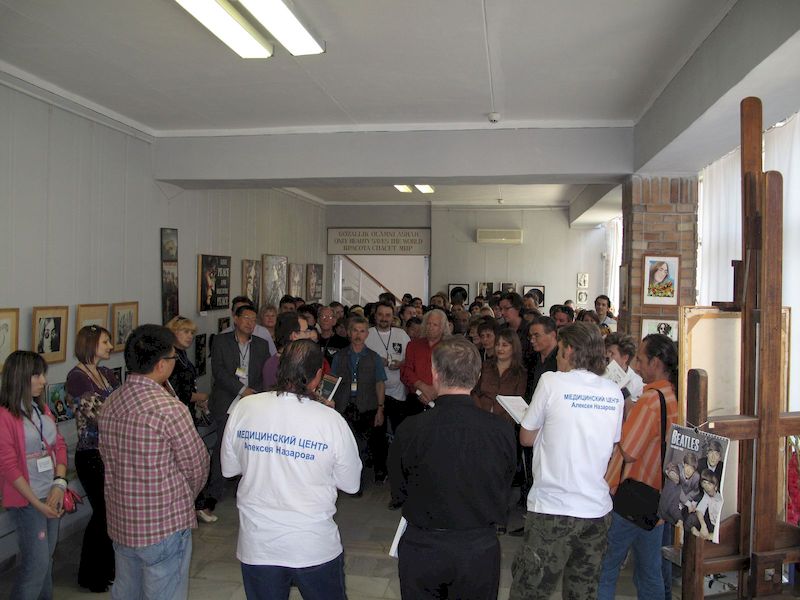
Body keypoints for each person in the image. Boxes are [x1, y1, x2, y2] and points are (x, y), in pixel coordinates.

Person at [222, 340, 361, 600]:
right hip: (312, 545)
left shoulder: (245, 407)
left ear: (280, 368)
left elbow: (230, 469)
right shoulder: (330, 421)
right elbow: (351, 484)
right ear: (318, 376)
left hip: (258, 544)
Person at [389, 337, 516, 600]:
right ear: (477, 376)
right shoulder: (501, 430)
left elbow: (399, 490)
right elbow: (504, 484)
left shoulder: (410, 428)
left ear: (434, 374)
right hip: (477, 547)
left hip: (423, 545)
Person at [510, 323, 624, 600]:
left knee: (530, 590)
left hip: (553, 507)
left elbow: (526, 437)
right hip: (596, 511)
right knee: (583, 592)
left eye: (560, 349)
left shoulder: (551, 382)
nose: (557, 358)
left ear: (570, 350)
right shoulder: (613, 392)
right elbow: (610, 444)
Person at [98, 325, 210, 600]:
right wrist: (184, 499)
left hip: (122, 520)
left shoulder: (111, 403)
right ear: (161, 364)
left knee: (127, 591)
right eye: (173, 357)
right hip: (164, 525)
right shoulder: (170, 409)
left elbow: (106, 458)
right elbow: (197, 465)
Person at [598, 333, 679, 600]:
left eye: (641, 360)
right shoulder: (673, 396)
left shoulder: (650, 400)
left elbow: (629, 451)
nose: (637, 366)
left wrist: (624, 419)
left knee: (606, 567)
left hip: (631, 495)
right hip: (656, 497)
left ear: (656, 363)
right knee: (650, 571)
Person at [0, 351, 68, 600]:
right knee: (36, 566)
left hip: (51, 493)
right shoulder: (5, 416)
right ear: (20, 377)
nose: (43, 381)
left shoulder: (42, 408)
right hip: (27, 501)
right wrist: (37, 504)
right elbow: (8, 467)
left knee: (45, 562)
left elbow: (59, 445)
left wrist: (59, 484)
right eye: (37, 375)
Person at [65, 325, 120, 592]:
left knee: (111, 512)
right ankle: (91, 574)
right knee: (103, 512)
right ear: (90, 344)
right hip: (91, 454)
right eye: (105, 342)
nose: (110, 346)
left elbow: (122, 406)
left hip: (111, 452)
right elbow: (99, 416)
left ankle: (108, 568)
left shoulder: (106, 373)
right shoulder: (77, 377)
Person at [207, 304, 270, 514]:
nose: (250, 323)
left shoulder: (261, 345)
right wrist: (242, 390)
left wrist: (256, 395)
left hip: (253, 402)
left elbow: (264, 374)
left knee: (250, 445)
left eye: (253, 319)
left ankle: (246, 488)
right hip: (227, 399)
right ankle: (214, 491)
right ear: (235, 319)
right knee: (222, 444)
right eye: (246, 318)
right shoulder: (221, 341)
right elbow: (219, 372)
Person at [166, 316, 216, 524]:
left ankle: (196, 503)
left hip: (187, 412)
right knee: (191, 459)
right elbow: (179, 393)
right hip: (178, 415)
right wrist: (202, 397)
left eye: (191, 333)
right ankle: (196, 505)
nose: (189, 336)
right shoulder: (171, 358)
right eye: (185, 332)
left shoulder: (182, 356)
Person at [331, 315, 388, 485]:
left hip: (368, 406)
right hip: (344, 406)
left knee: (370, 445)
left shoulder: (374, 357)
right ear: (349, 332)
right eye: (355, 330)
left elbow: (380, 383)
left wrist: (380, 409)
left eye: (362, 331)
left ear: (367, 334)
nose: (358, 334)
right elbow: (331, 381)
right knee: (348, 447)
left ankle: (371, 475)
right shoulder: (339, 356)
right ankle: (352, 480)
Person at [366, 302, 413, 438]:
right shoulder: (367, 334)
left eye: (388, 315)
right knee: (377, 435)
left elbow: (411, 359)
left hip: (398, 394)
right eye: (380, 314)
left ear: (393, 317)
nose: (384, 318)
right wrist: (375, 362)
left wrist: (401, 364)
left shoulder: (401, 334)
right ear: (375, 316)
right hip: (374, 395)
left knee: (400, 434)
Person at [472, 329, 527, 421]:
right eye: (497, 344)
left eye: (504, 345)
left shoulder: (520, 373)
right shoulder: (485, 366)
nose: (500, 348)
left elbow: (518, 404)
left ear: (514, 348)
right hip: (479, 417)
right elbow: (474, 392)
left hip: (505, 422)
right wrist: (479, 412)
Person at [400, 309, 448, 407]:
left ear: (442, 327)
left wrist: (436, 391)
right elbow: (406, 371)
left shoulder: (450, 348)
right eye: (428, 324)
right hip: (416, 397)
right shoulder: (413, 345)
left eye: (435, 325)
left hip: (441, 398)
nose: (430, 327)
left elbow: (452, 374)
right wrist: (421, 387)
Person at [604, 332, 645, 407]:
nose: (606, 356)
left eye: (611, 353)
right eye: (606, 352)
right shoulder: (598, 376)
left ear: (625, 358)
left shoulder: (638, 384)